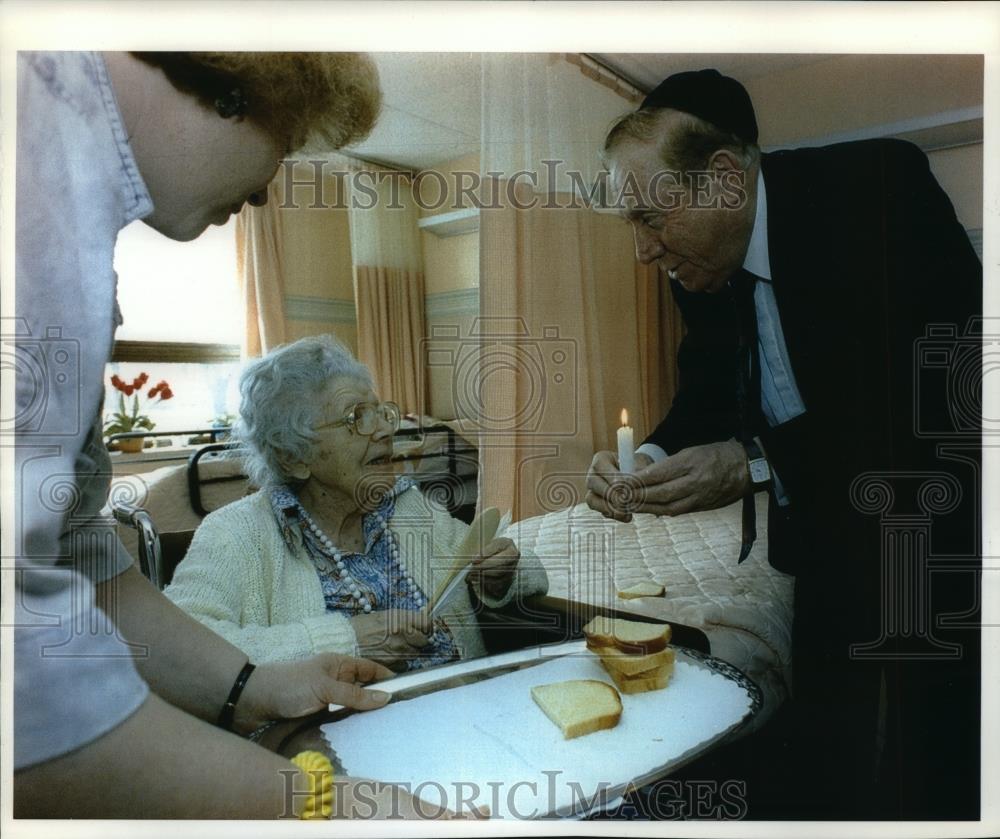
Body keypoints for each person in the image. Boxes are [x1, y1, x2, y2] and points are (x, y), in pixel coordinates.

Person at [12, 51, 466, 819]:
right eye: (280, 148)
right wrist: (326, 804)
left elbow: (82, 559)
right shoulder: (25, 194)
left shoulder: (72, 216)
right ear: (231, 93)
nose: (263, 195)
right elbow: (31, 692)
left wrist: (252, 686)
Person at [586, 70, 981, 819]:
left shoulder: (877, 193)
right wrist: (646, 459)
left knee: (938, 748)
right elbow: (704, 397)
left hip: (928, 536)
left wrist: (755, 461)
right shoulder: (694, 266)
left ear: (726, 179)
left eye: (649, 218)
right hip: (819, 541)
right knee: (828, 734)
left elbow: (945, 399)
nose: (642, 250)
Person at [165, 335, 548, 670]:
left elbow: (528, 573)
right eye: (356, 418)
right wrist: (346, 642)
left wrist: (501, 576)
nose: (384, 429)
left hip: (466, 715)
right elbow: (179, 653)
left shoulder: (409, 508)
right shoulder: (236, 535)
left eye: (381, 412)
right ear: (293, 457)